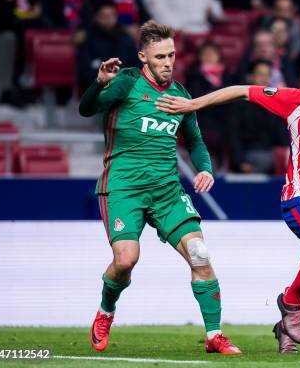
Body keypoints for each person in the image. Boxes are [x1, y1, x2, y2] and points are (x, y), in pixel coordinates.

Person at [155, 50, 300, 354]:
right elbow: (242, 91)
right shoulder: (295, 100)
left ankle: (284, 327)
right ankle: (290, 301)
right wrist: (194, 104)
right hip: (299, 198)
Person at [78, 20, 241, 355]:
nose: (168, 62)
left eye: (172, 55)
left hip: (167, 190)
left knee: (200, 254)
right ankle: (106, 311)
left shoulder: (181, 95)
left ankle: (214, 335)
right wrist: (98, 84)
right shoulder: (126, 83)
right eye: (161, 56)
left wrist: (205, 169)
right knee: (126, 260)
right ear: (143, 57)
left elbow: (195, 141)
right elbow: (87, 109)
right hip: (124, 187)